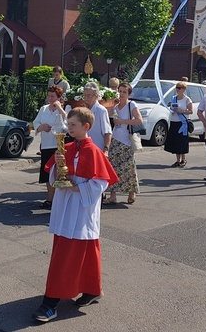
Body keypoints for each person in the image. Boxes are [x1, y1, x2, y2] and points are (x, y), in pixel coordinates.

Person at [32, 107, 119, 323]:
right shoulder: (66, 147)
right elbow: (52, 175)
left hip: (80, 207)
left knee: (68, 252)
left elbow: (101, 182)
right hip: (65, 206)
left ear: (86, 127)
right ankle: (91, 289)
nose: (68, 128)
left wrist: (75, 188)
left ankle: (50, 302)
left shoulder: (95, 151)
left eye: (72, 125)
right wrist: (58, 164)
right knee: (86, 248)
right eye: (68, 124)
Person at [106, 82, 143, 205]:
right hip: (115, 139)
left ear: (129, 94)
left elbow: (139, 120)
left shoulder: (131, 105)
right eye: (120, 91)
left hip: (126, 141)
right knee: (113, 167)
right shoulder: (115, 105)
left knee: (128, 168)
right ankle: (113, 195)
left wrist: (123, 121)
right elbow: (107, 114)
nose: (121, 94)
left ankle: (131, 191)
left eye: (124, 92)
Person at [33, 85, 68, 210]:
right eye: (49, 96)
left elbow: (68, 122)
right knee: (48, 173)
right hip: (47, 144)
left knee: (59, 173)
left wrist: (59, 108)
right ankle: (50, 199)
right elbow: (35, 122)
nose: (50, 99)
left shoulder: (64, 109)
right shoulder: (43, 109)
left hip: (58, 146)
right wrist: (41, 127)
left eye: (53, 96)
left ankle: (60, 200)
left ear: (59, 97)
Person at [164, 81, 193, 168]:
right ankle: (177, 160)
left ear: (184, 89)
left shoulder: (187, 99)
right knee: (175, 141)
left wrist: (181, 111)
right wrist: (172, 110)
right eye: (177, 88)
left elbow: (191, 111)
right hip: (174, 121)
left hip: (182, 123)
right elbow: (172, 107)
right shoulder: (174, 98)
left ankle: (183, 159)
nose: (177, 90)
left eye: (179, 88)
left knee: (182, 141)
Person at [82, 82, 112, 155]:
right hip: (84, 148)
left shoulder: (101, 110)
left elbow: (107, 132)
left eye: (89, 95)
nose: (86, 98)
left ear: (96, 96)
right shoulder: (83, 109)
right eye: (85, 95)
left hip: (97, 148)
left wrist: (106, 149)